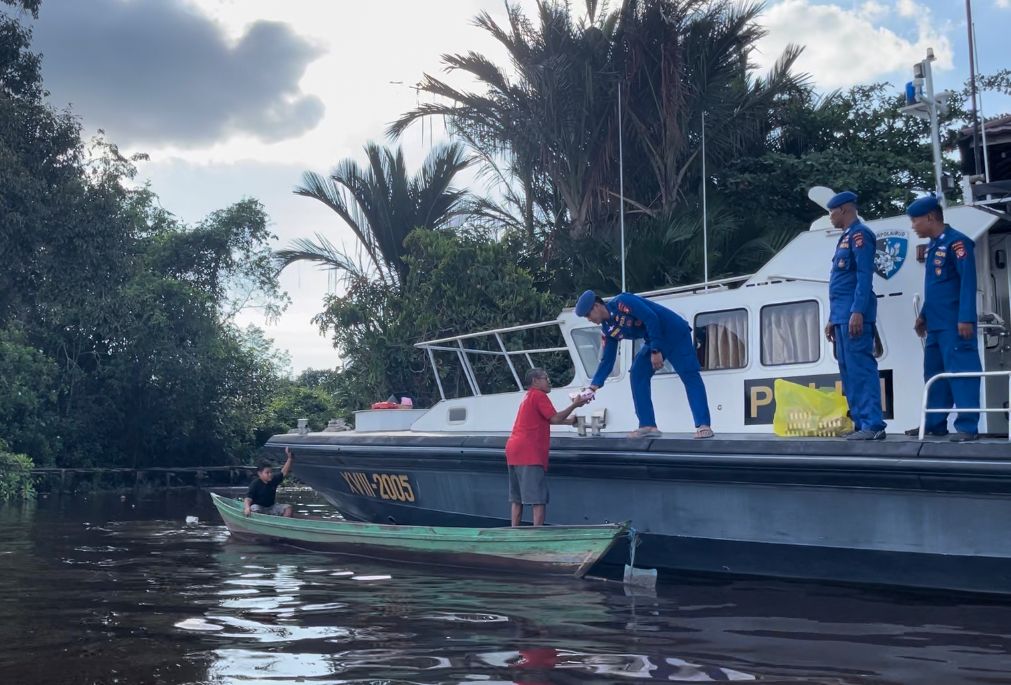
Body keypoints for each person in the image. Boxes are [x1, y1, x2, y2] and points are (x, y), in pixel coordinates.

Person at [574, 290, 713, 439]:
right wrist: (593, 387)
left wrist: (655, 350)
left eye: (588, 315)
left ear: (596, 306)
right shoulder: (608, 329)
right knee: (637, 372)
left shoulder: (623, 302)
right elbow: (607, 360)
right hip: (654, 341)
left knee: (689, 375)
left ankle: (703, 424)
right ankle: (648, 424)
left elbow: (651, 318)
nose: (589, 319)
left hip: (674, 333)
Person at [904, 195, 982, 442]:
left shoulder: (958, 243)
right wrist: (923, 315)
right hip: (936, 324)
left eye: (915, 220)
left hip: (955, 323)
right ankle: (935, 423)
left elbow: (967, 282)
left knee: (962, 372)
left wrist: (966, 318)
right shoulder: (934, 246)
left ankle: (967, 427)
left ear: (930, 217)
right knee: (934, 375)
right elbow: (936, 285)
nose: (913, 225)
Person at [824, 190, 887, 441]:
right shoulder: (845, 238)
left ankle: (873, 424)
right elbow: (840, 283)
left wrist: (858, 311)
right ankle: (861, 424)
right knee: (848, 372)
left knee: (861, 369)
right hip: (841, 315)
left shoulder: (860, 235)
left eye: (832, 212)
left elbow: (863, 276)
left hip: (854, 314)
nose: (830, 217)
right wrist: (832, 317)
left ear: (844, 210)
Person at [505, 367, 589, 526]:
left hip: (513, 449)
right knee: (538, 500)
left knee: (517, 499)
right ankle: (538, 536)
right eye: (545, 378)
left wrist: (570, 421)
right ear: (535, 381)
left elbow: (548, 419)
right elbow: (555, 419)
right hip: (528, 452)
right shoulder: (539, 395)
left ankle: (514, 533)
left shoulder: (528, 397)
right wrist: (575, 405)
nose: (549, 381)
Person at [244, 447, 295, 517]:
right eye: (267, 473)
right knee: (254, 509)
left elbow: (284, 472)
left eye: (271, 472)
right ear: (260, 473)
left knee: (289, 508)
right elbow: (248, 499)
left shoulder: (273, 480)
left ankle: (281, 524)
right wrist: (247, 508)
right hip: (259, 507)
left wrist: (290, 458)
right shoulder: (255, 484)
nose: (270, 474)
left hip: (271, 507)